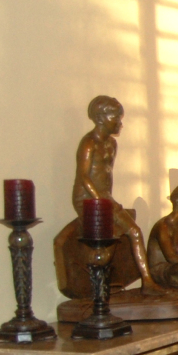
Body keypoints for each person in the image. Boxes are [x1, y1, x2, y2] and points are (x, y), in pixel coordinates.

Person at [70, 95, 162, 293]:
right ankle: (99, 287)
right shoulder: (88, 143)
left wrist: (106, 201)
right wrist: (99, 202)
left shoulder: (112, 144)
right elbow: (84, 177)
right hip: (87, 199)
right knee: (108, 238)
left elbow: (106, 176)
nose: (120, 123)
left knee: (134, 231)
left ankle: (147, 282)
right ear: (101, 118)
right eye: (116, 117)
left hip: (104, 198)